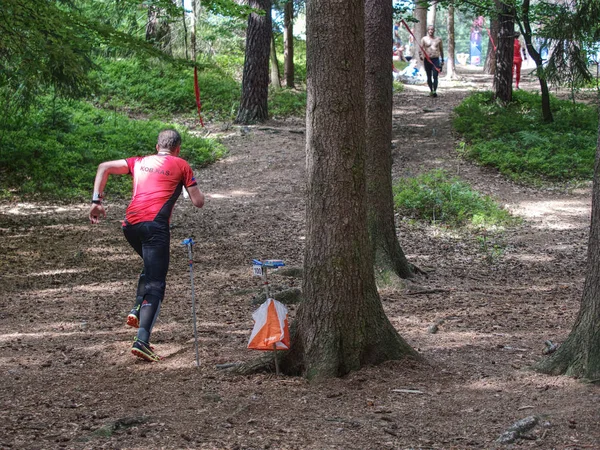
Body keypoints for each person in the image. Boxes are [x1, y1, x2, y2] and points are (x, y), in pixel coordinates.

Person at [89, 129, 205, 362]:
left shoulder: (139, 162)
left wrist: (96, 202)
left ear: (157, 146)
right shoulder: (181, 165)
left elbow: (104, 167)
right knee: (156, 283)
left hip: (130, 226)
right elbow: (198, 202)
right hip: (155, 228)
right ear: (178, 149)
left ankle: (136, 308)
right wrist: (184, 185)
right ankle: (142, 341)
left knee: (151, 268)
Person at [419, 25, 444, 97]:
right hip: (427, 59)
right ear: (427, 30)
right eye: (429, 29)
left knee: (435, 75)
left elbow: (441, 50)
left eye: (432, 29)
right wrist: (421, 55)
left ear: (434, 30)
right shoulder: (424, 39)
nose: (431, 31)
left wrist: (442, 60)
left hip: (435, 59)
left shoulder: (438, 39)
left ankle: (435, 91)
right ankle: (431, 90)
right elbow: (421, 48)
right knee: (428, 76)